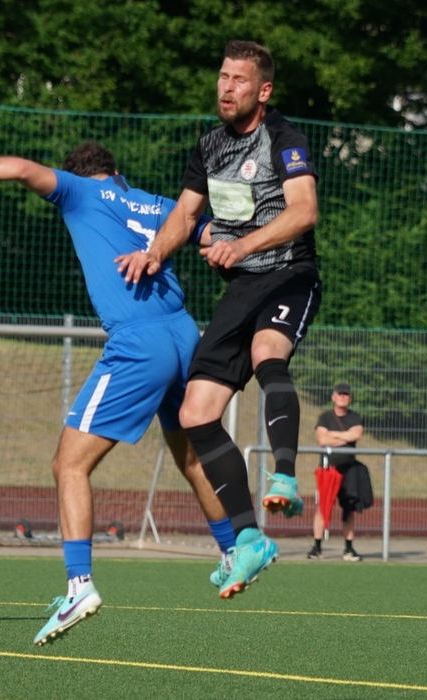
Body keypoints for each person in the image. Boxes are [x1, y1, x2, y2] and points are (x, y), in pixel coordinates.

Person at [0, 143, 231, 644]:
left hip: (140, 342)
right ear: (117, 171)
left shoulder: (79, 192)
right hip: (184, 333)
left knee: (69, 464)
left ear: (76, 176)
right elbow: (217, 234)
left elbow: (20, 169)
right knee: (191, 457)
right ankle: (234, 551)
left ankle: (79, 586)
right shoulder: (156, 203)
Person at [116, 41, 321, 599]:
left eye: (239, 80)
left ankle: (284, 475)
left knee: (267, 353)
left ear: (263, 90)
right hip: (241, 288)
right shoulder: (208, 146)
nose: (227, 87)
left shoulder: (284, 139)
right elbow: (185, 215)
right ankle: (250, 539)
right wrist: (153, 254)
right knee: (195, 412)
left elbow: (305, 211)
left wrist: (242, 245)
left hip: (289, 275)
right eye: (223, 77)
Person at [309, 382, 365, 562]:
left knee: (349, 509)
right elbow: (322, 440)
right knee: (323, 506)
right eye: (339, 394)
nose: (342, 397)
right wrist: (345, 437)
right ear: (333, 397)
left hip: (349, 468)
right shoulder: (325, 417)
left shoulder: (355, 417)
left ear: (350, 398)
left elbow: (356, 435)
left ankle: (348, 548)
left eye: (346, 395)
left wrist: (332, 436)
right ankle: (317, 547)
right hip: (328, 468)